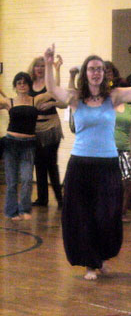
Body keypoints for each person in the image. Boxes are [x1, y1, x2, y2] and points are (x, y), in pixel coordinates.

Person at [44, 45, 131, 280]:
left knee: (106, 214)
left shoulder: (113, 97)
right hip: (81, 165)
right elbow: (51, 88)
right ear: (85, 73)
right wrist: (49, 63)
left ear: (104, 73)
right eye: (92, 69)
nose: (96, 73)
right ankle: (90, 263)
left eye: (100, 69)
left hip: (107, 165)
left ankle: (101, 257)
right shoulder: (75, 98)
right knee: (82, 215)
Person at [0, 72, 53, 220]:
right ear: (15, 86)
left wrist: (54, 69)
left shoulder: (35, 100)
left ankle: (24, 209)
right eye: (19, 83)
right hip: (11, 144)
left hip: (28, 145)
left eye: (24, 82)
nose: (22, 85)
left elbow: (52, 91)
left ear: (29, 85)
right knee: (11, 181)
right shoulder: (8, 102)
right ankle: (11, 211)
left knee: (27, 178)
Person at [27, 55, 66, 208]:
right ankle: (42, 199)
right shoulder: (29, 85)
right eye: (37, 66)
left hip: (51, 127)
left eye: (43, 66)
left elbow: (60, 98)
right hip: (35, 128)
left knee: (51, 162)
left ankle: (60, 198)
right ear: (33, 68)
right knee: (39, 163)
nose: (40, 69)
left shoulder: (50, 83)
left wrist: (52, 102)